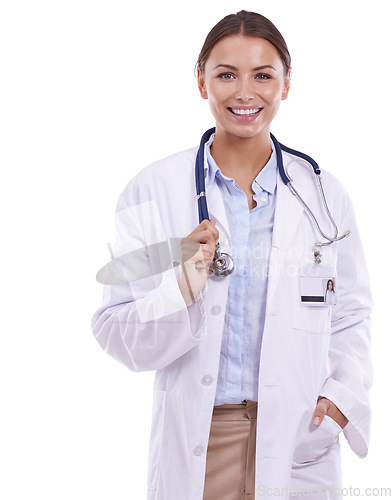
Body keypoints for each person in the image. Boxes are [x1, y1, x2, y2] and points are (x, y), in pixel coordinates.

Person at [91, 10, 373, 500]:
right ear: (201, 81)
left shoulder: (324, 196)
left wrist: (340, 400)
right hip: (204, 438)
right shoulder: (152, 191)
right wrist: (179, 289)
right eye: (226, 75)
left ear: (286, 84)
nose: (245, 93)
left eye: (263, 75)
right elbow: (112, 327)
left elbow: (351, 314)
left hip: (298, 432)